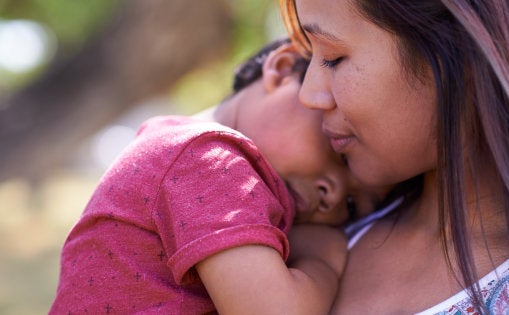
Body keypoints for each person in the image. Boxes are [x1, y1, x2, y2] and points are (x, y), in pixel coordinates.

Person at [279, 0, 509, 314]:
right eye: (310, 58)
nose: (310, 95)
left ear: (462, 51)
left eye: (333, 57)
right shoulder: (303, 236)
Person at [50, 38, 388, 314]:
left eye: (351, 203)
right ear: (284, 70)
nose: (331, 194)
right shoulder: (208, 159)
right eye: (337, 150)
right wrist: (322, 259)